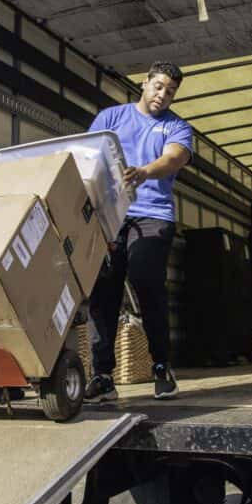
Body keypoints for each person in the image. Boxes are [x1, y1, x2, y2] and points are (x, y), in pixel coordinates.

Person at [84, 61, 192, 401]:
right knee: (103, 292)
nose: (163, 95)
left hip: (152, 214)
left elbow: (174, 159)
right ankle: (102, 376)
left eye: (170, 91)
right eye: (158, 86)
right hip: (110, 214)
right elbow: (88, 159)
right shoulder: (110, 118)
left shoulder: (177, 127)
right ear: (144, 84)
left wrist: (145, 171)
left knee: (146, 281)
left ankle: (161, 366)